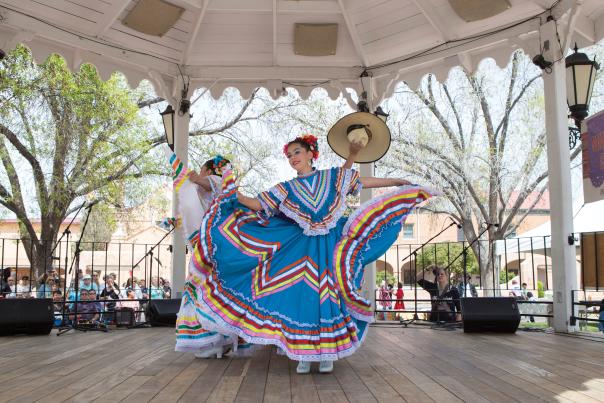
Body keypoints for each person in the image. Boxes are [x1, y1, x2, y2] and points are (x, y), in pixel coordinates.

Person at [194, 134, 434, 374]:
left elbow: (360, 180)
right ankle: (304, 354)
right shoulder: (286, 189)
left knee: (329, 296)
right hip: (302, 252)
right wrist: (229, 189)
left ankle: (328, 354)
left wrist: (398, 181)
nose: (292, 158)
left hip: (331, 248)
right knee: (305, 298)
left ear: (311, 153)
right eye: (289, 156)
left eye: (297, 152)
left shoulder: (330, 177)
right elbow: (256, 204)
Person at [173, 153, 247, 359]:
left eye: (203, 169)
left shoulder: (214, 181)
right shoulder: (221, 189)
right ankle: (220, 342)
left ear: (209, 170)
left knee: (202, 288)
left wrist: (192, 176)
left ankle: (212, 342)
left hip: (208, 244)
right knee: (215, 290)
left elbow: (202, 182)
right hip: (216, 243)